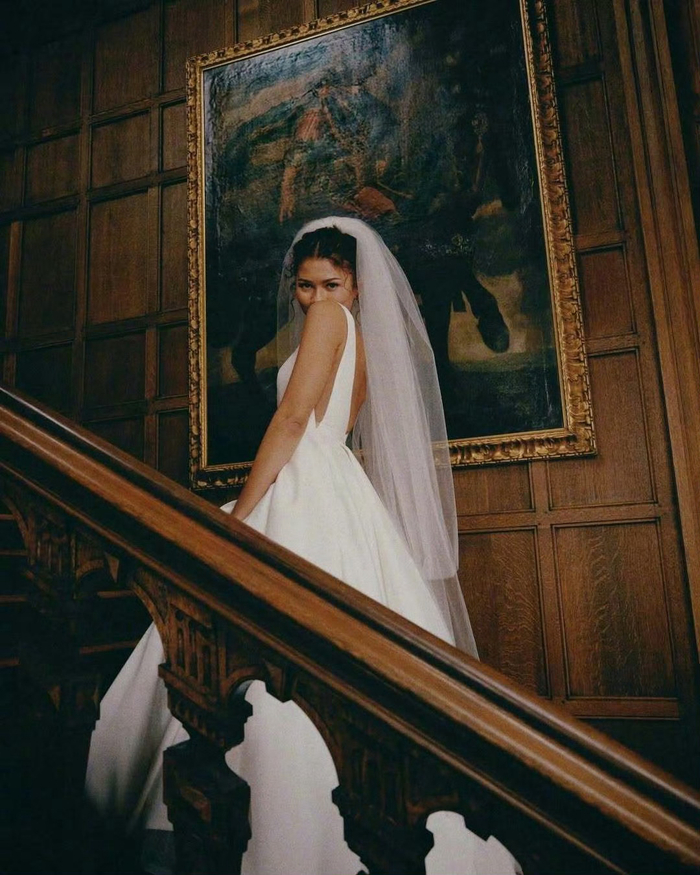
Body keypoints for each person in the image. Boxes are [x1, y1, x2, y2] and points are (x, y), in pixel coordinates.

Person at [85, 217, 519, 875]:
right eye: (306, 285)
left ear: (356, 284)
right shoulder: (365, 340)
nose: (316, 297)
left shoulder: (328, 322)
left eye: (331, 284)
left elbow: (292, 421)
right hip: (335, 485)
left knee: (246, 645)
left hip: (305, 485)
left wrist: (238, 518)